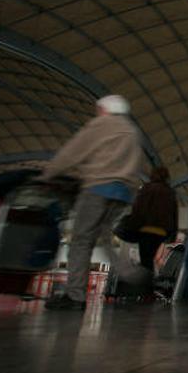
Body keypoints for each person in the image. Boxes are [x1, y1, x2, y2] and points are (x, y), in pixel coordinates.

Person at [42, 95, 144, 310]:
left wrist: (49, 174)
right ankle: (132, 274)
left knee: (81, 241)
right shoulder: (133, 131)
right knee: (105, 238)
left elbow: (73, 151)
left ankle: (75, 296)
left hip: (98, 189)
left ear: (104, 109)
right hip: (123, 194)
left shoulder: (102, 124)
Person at [128, 166, 178, 272]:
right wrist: (172, 237)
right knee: (154, 261)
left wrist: (133, 228)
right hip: (161, 233)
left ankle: (144, 284)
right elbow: (174, 215)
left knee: (145, 262)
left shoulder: (146, 189)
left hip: (145, 231)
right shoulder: (170, 192)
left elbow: (137, 209)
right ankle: (150, 282)